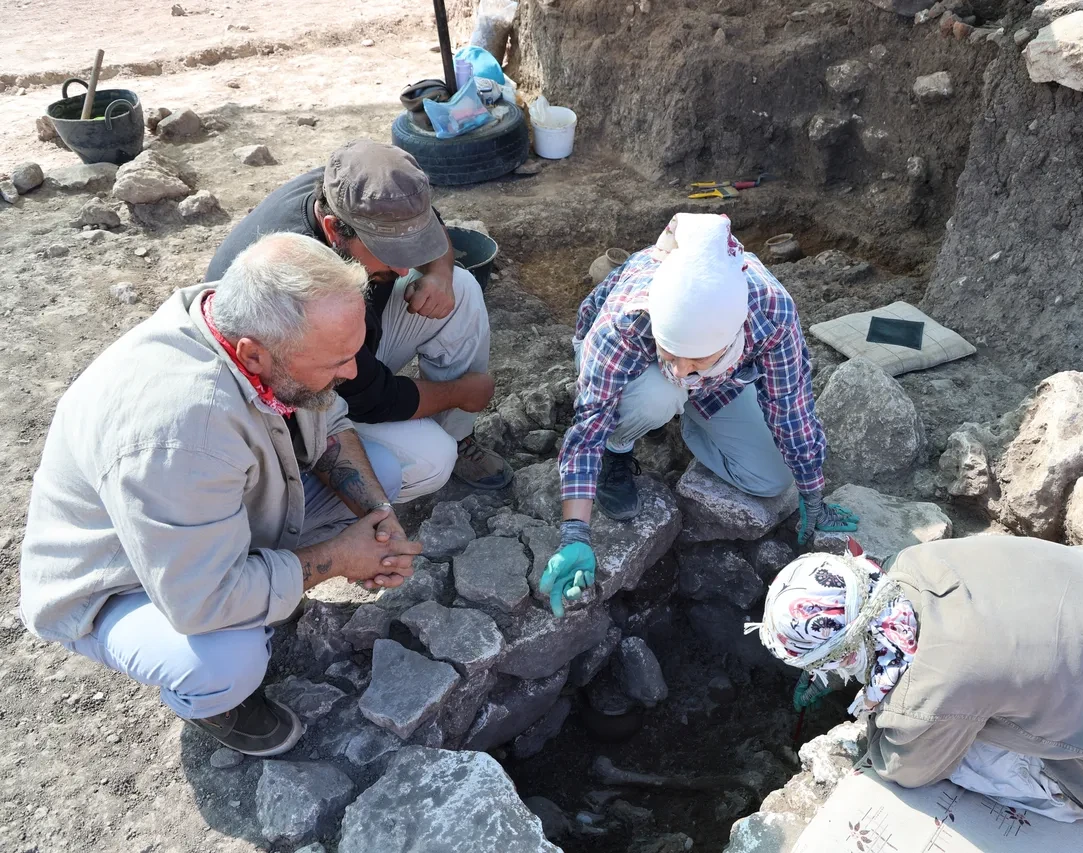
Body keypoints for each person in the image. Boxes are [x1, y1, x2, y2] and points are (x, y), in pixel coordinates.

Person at [19, 234, 424, 757]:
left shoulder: (241, 319)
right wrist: (341, 558)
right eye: (335, 362)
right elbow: (202, 602)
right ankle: (212, 705)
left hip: (196, 519)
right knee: (225, 660)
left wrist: (378, 516)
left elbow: (329, 424)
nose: (351, 373)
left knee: (385, 472)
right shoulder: (181, 433)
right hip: (117, 581)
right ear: (254, 355)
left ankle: (264, 581)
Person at [752, 536, 1083, 828]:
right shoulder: (919, 562)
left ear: (842, 653)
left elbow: (905, 768)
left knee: (963, 757)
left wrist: (877, 719)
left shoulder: (924, 694)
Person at [539, 212, 858, 615]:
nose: (681, 370)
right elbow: (588, 426)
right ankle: (620, 449)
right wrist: (575, 534)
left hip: (725, 379)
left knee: (772, 478)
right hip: (640, 375)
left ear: (733, 334)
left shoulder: (770, 313)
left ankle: (691, 418)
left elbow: (790, 407)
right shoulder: (625, 322)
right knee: (658, 394)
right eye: (672, 354)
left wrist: (813, 493)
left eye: (696, 360)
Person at [204, 139, 511, 496]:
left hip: (343, 352)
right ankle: (314, 498)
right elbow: (370, 394)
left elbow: (428, 223)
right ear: (334, 229)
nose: (403, 267)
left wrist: (440, 272)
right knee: (430, 460)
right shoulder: (300, 284)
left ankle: (458, 437)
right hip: (294, 394)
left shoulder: (357, 191)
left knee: (462, 286)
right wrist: (460, 392)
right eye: (387, 252)